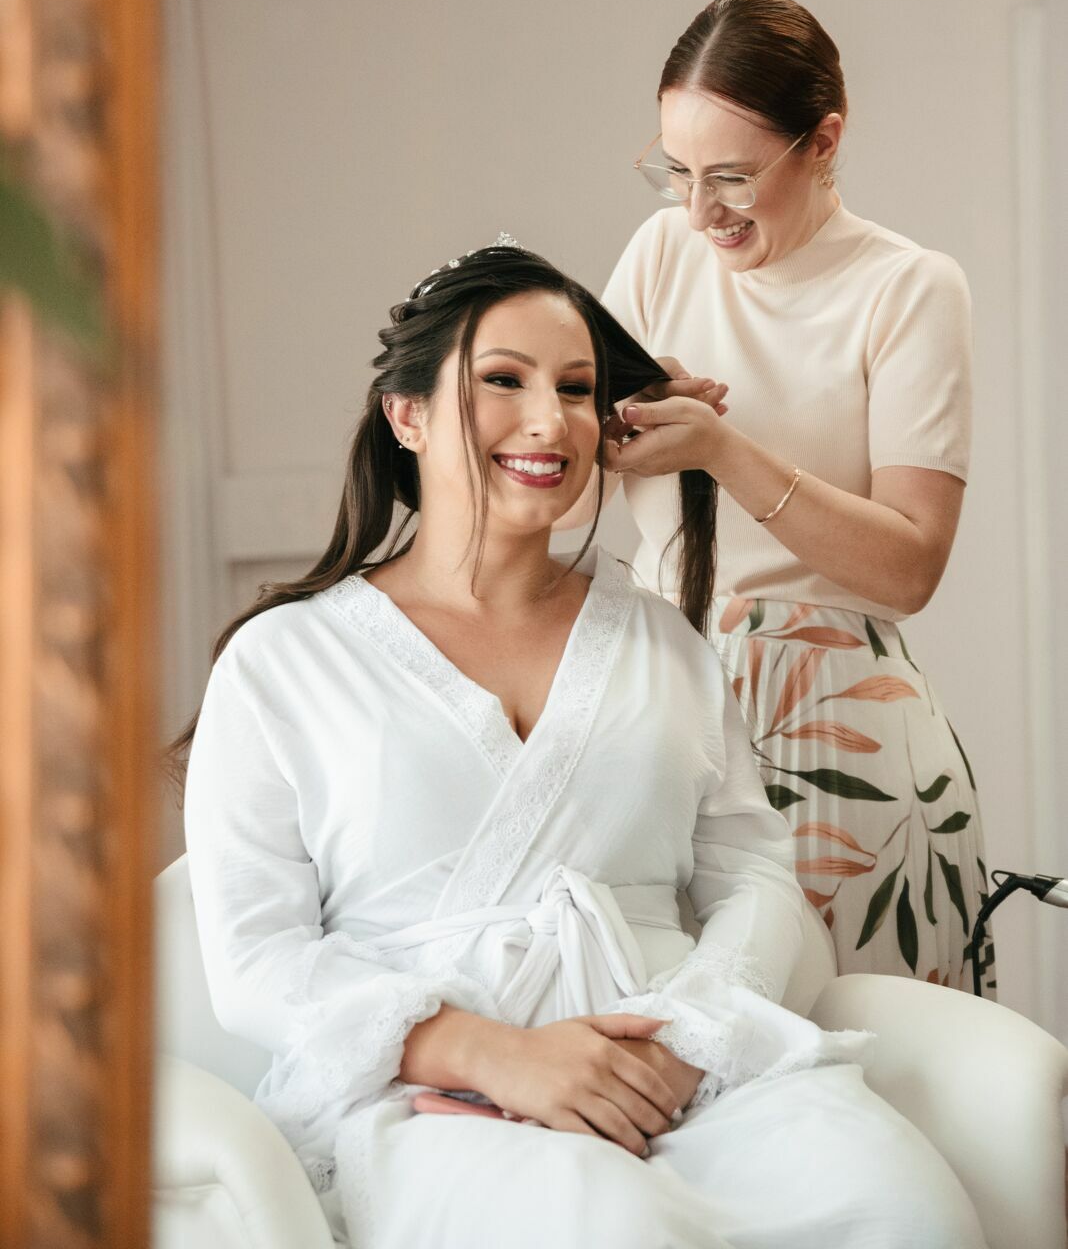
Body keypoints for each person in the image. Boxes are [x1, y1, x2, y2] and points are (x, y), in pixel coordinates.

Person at [175, 241, 986, 1249]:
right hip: (441, 1096)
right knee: (602, 1227)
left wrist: (687, 1040)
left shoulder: (659, 641)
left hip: (682, 1071)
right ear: (408, 412)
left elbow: (758, 878)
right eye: (502, 381)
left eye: (575, 388)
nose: (547, 420)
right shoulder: (284, 660)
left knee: (902, 1206)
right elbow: (257, 955)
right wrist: (490, 1054)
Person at [585, 0, 991, 994]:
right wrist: (609, 427)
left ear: (824, 143)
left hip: (843, 726)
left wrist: (726, 449)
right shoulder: (659, 253)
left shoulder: (908, 288)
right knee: (687, 1070)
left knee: (872, 1057)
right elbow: (562, 490)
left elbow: (908, 565)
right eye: (676, 172)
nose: (697, 211)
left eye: (731, 176)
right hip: (666, 703)